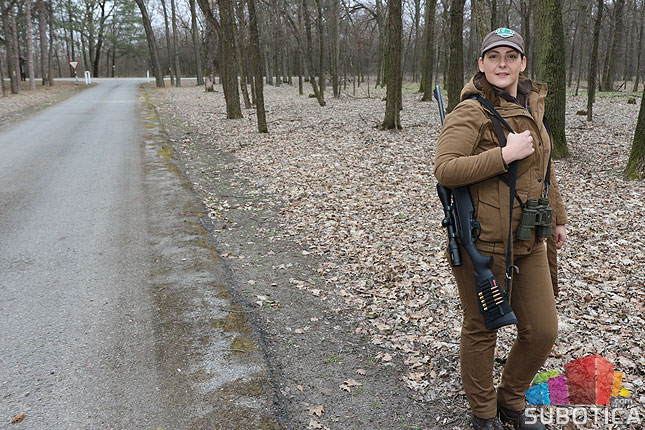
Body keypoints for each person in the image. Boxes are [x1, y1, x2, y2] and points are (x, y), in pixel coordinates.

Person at [434, 28, 568, 430]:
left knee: (542, 331)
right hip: (484, 242)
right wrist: (503, 155)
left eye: (511, 56)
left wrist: (558, 218)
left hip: (530, 237)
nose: (502, 64)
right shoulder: (470, 111)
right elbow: (445, 169)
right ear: (482, 64)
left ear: (523, 63)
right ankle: (484, 413)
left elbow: (544, 169)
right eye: (494, 57)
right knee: (482, 329)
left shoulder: (531, 105)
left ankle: (511, 400)